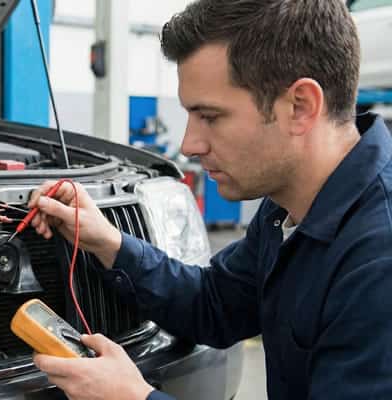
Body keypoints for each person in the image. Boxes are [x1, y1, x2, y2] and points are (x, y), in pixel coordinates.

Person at [27, 0, 392, 399]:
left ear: (300, 106)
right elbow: (214, 304)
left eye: (211, 117)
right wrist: (106, 241)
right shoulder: (289, 205)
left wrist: (134, 397)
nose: (189, 144)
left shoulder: (378, 259)